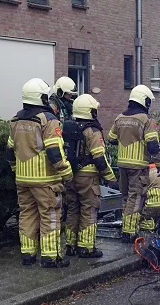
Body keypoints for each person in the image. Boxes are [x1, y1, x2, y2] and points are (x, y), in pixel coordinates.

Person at [6, 78, 74, 268]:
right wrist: (67, 172)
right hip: (46, 180)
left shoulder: (16, 119)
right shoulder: (48, 120)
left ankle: (27, 255)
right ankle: (50, 257)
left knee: (26, 214)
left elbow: (9, 151)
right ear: (42, 97)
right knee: (50, 215)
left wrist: (15, 169)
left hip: (22, 179)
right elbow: (55, 152)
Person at [107, 85, 160, 243]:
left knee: (126, 197)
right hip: (138, 166)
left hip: (122, 165)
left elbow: (111, 138)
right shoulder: (146, 120)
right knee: (136, 196)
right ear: (144, 100)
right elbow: (153, 144)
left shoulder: (119, 118)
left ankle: (127, 226)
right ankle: (129, 232)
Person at [62, 94, 117, 258]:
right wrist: (111, 178)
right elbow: (99, 157)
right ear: (90, 111)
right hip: (87, 178)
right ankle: (86, 248)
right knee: (89, 209)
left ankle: (70, 245)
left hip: (70, 175)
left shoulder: (70, 127)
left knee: (72, 210)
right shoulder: (92, 131)